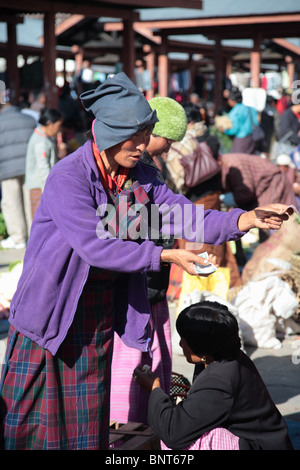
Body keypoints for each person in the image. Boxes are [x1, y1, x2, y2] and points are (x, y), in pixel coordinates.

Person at [0, 73, 292, 450]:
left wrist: (245, 218)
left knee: (87, 423)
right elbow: (95, 246)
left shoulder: (140, 178)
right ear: (106, 132)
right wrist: (164, 253)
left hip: (96, 314)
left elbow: (185, 215)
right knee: (29, 426)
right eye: (134, 137)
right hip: (49, 311)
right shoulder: (69, 178)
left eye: (145, 136)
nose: (143, 147)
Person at [110, 96, 188, 424]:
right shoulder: (130, 173)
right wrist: (166, 247)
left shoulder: (148, 167)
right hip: (137, 284)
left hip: (153, 278)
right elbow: (124, 233)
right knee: (132, 362)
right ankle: (128, 431)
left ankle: (149, 423)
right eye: (166, 142)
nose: (166, 150)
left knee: (156, 355)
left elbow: (175, 215)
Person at [133, 300, 293, 450]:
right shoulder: (227, 354)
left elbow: (173, 434)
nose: (181, 344)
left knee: (188, 440)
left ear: (203, 349)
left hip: (259, 445)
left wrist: (155, 389)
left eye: (185, 340)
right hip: (269, 438)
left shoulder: (219, 380)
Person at [165, 102, 241, 288]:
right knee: (217, 239)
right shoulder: (211, 137)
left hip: (194, 197)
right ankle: (230, 284)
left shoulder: (184, 141)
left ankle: (198, 287)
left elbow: (177, 178)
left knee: (195, 244)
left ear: (187, 122)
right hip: (214, 194)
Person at [0, 96, 36, 249]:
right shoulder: (28, 119)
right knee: (29, 202)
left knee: (12, 202)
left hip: (8, 168)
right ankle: (32, 235)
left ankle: (18, 237)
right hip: (28, 166)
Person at [25, 108, 63, 219]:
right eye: (58, 125)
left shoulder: (44, 138)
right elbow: (43, 169)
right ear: (49, 123)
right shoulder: (40, 141)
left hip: (42, 186)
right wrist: (49, 192)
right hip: (40, 187)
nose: (59, 129)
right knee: (41, 220)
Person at [218, 87, 260, 154]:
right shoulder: (250, 108)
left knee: (238, 161)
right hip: (252, 138)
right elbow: (256, 122)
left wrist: (225, 131)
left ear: (232, 100)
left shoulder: (234, 112)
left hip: (241, 140)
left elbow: (234, 129)